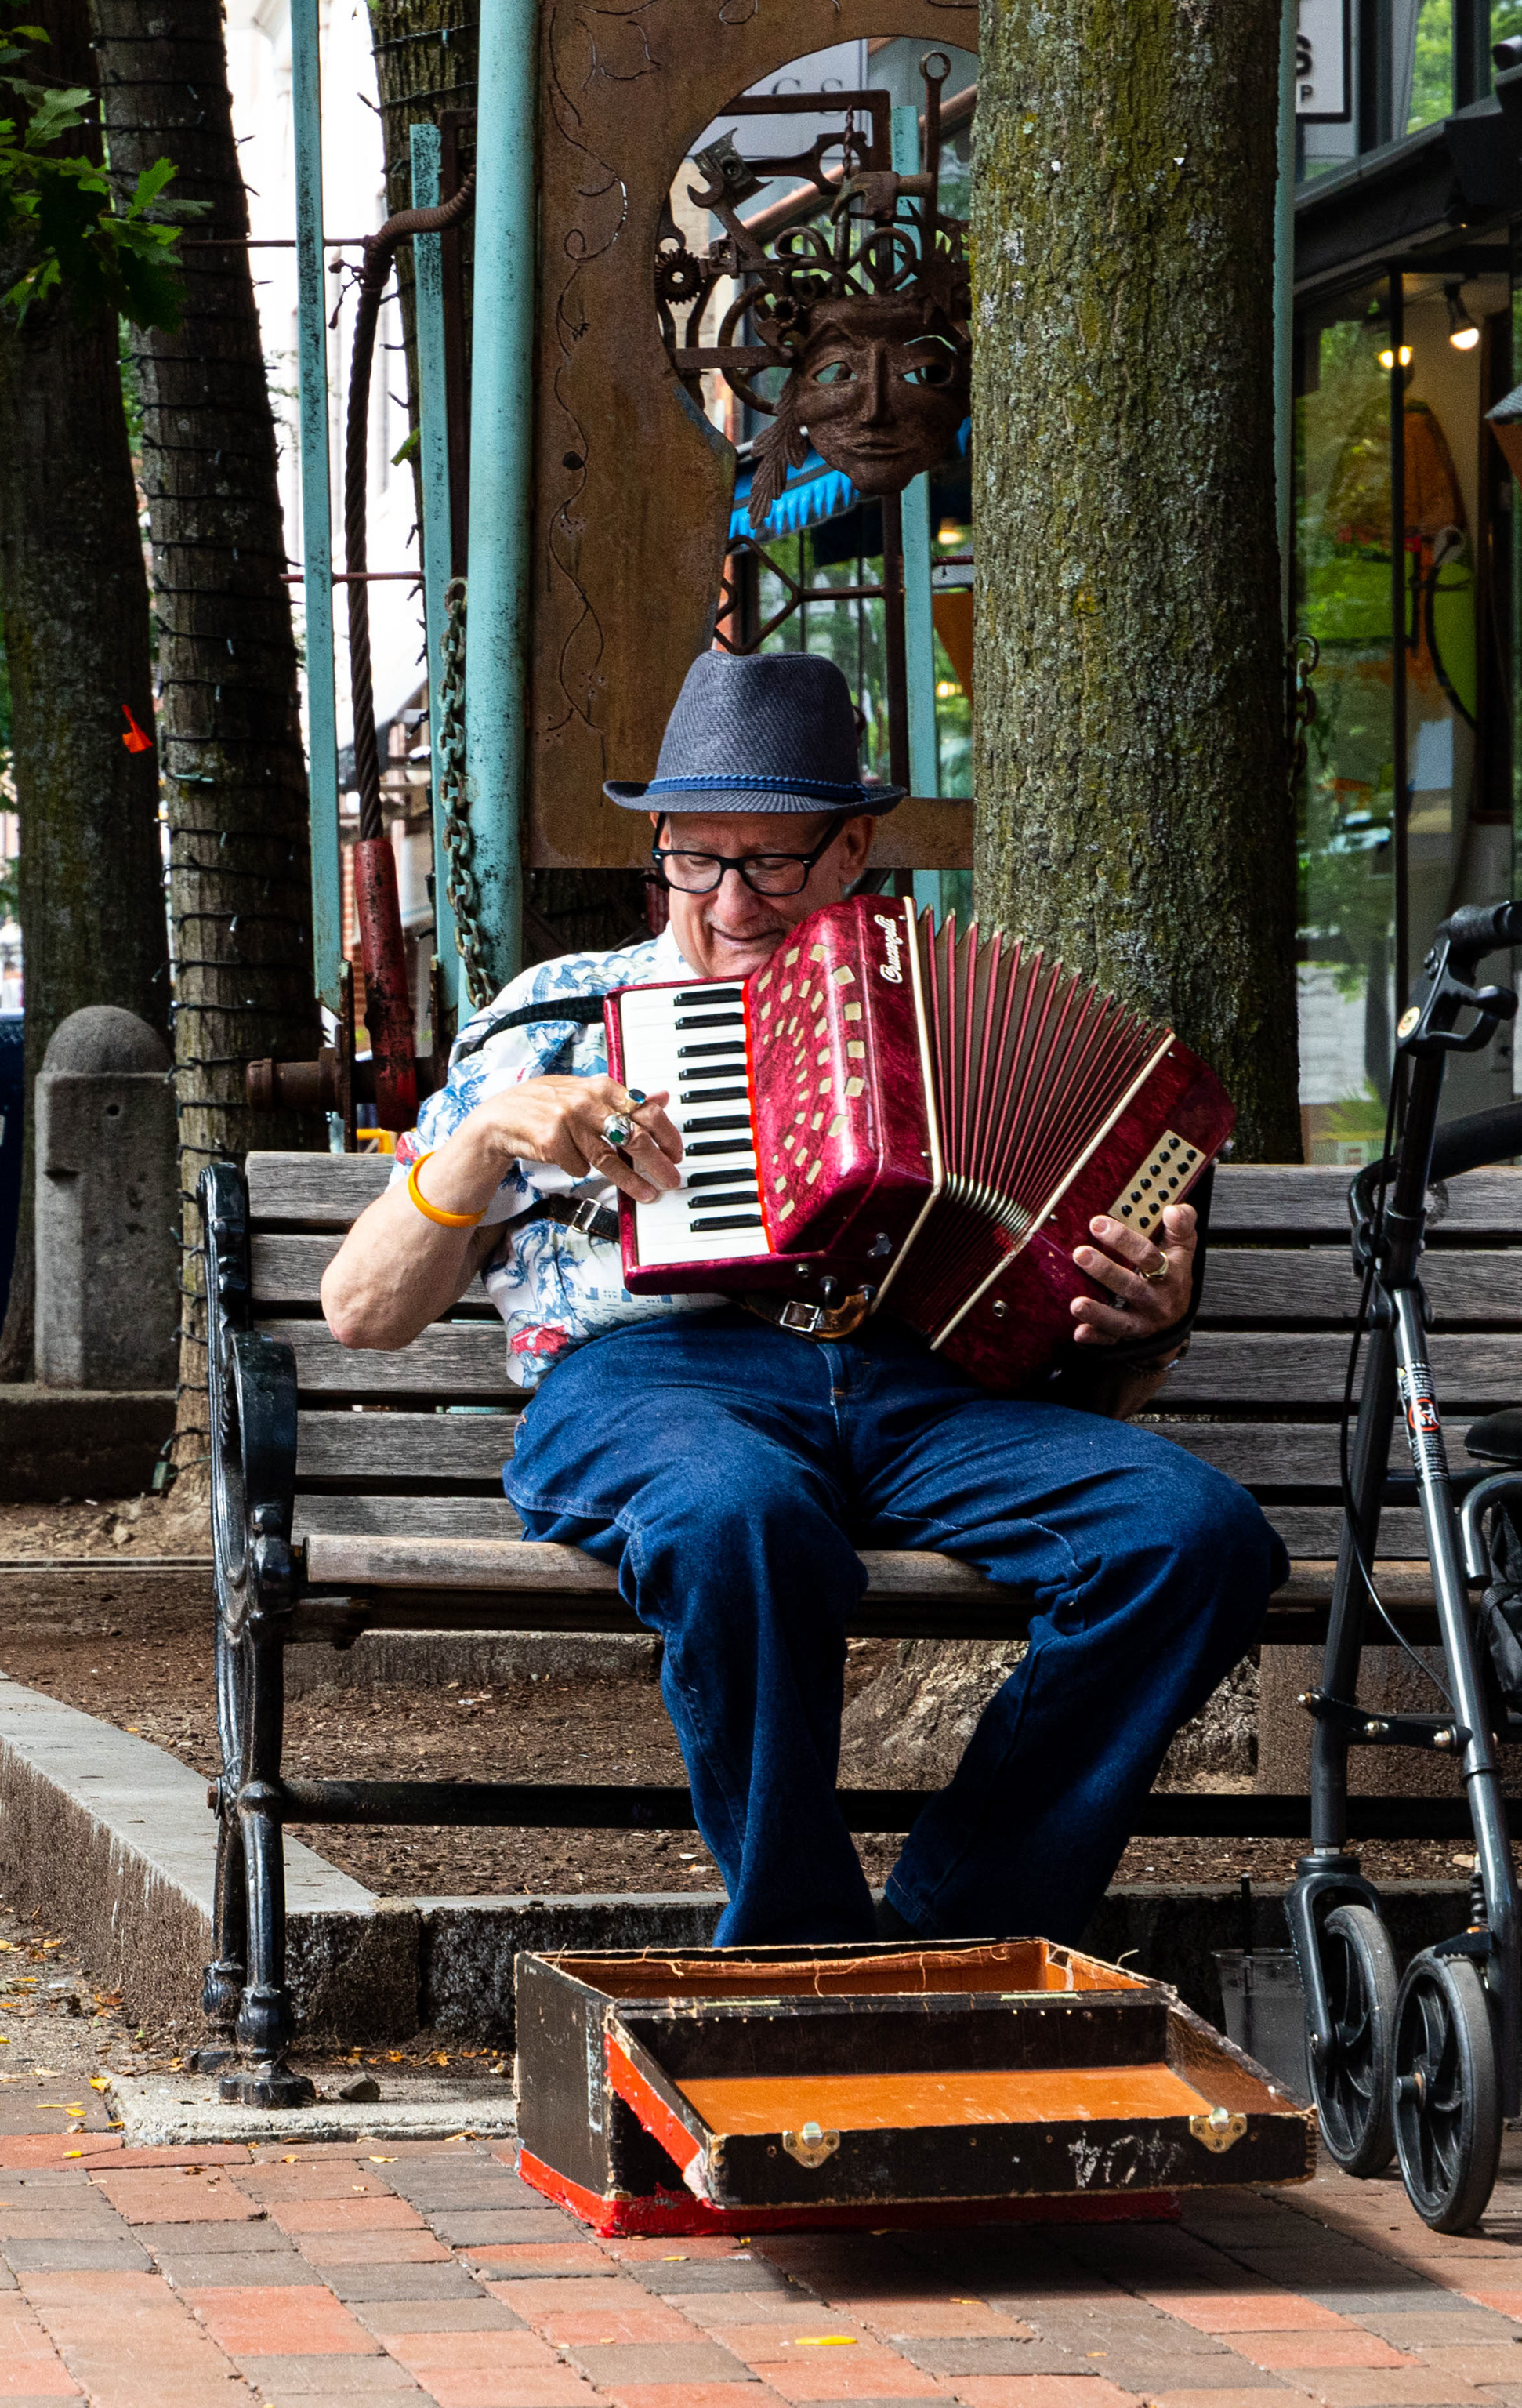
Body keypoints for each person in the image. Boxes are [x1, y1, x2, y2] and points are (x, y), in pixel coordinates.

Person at [320, 648, 1281, 1949]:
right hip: (652, 1387)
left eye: (772, 860)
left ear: (852, 853)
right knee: (736, 1512)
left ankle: (962, 1931)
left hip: (909, 1388)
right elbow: (362, 1311)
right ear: (655, 844)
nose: (729, 903)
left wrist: (1144, 1316)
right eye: (695, 858)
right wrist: (481, 1138)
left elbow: (1070, 1349)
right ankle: (802, 1945)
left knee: (1194, 1531)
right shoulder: (559, 1017)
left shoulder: (933, 1027)